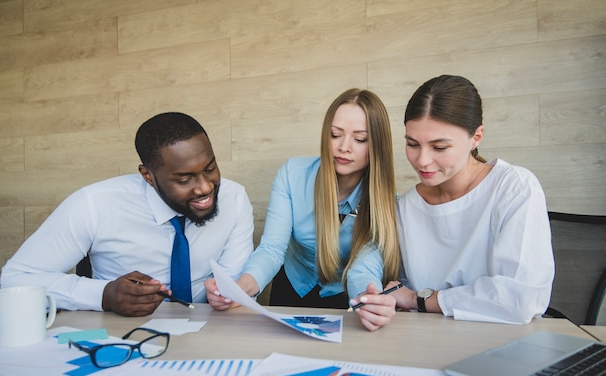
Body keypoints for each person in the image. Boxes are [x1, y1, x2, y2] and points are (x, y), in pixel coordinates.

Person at [0, 112, 254, 317]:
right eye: (184, 179)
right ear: (148, 176)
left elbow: (235, 283)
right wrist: (104, 294)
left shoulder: (235, 198)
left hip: (211, 330)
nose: (205, 187)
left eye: (210, 168)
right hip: (121, 335)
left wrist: (226, 294)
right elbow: (16, 280)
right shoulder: (95, 204)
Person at [205, 88, 401, 331]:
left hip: (346, 296)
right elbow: (272, 248)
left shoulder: (385, 201)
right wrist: (242, 287)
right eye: (335, 135)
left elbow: (364, 267)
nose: (344, 147)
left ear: (377, 145)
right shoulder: (292, 175)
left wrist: (368, 299)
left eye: (360, 139)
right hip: (292, 287)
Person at [388, 74, 554, 324]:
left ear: (476, 137)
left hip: (501, 344)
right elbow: (402, 292)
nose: (422, 160)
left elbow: (520, 300)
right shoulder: (406, 207)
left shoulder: (514, 187)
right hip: (424, 342)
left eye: (439, 147)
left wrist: (420, 300)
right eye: (412, 144)